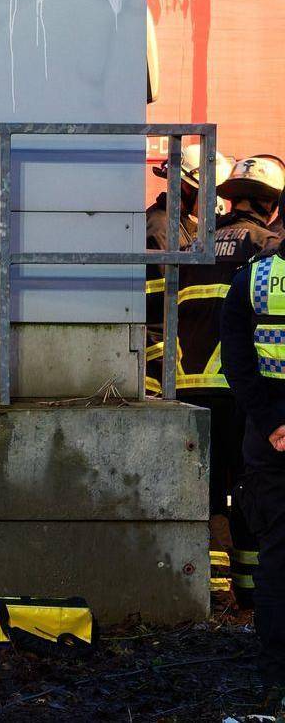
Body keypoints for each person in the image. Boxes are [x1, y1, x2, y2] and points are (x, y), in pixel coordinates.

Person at [178, 154, 285, 610]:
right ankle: (248, 590)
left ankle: (206, 588)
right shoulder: (264, 250)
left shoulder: (196, 244)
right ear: (271, 204)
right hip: (240, 392)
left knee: (202, 494)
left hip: (186, 388)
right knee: (247, 494)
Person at [220, 225, 285, 715]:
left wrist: (272, 425)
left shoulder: (254, 280)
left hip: (271, 443)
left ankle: (277, 681)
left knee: (278, 562)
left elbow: (238, 363)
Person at [146, 144, 233, 395]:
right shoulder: (161, 229)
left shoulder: (182, 227)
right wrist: (165, 368)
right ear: (185, 187)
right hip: (157, 371)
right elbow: (157, 308)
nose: (213, 200)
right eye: (208, 192)